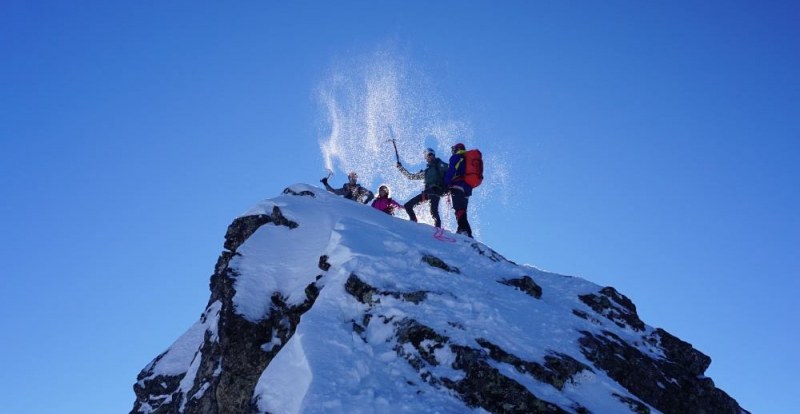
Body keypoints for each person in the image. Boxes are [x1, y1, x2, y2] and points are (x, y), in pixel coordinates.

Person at [396, 148, 448, 227]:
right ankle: (413, 221)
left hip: (436, 191)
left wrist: (448, 188)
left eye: (430, 155)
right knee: (408, 206)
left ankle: (438, 228)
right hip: (427, 192)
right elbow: (411, 176)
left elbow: (450, 170)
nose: (429, 157)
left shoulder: (439, 164)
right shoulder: (426, 171)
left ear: (434, 155)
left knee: (434, 212)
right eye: (427, 156)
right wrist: (401, 168)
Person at [444, 143, 473, 238]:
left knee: (459, 209)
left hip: (457, 185)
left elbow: (451, 170)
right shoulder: (467, 158)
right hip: (467, 189)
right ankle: (468, 234)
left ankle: (462, 229)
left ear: (456, 149)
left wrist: (447, 182)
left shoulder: (456, 157)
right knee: (463, 210)